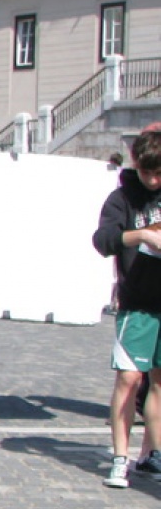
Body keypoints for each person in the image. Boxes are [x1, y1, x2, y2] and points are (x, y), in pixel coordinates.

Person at [92, 122, 161, 489]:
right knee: (130, 379)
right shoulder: (122, 198)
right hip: (137, 302)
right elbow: (103, 240)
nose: (152, 180)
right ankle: (120, 457)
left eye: (159, 173)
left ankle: (151, 453)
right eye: (147, 172)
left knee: (159, 383)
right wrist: (143, 235)